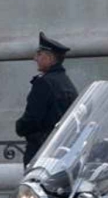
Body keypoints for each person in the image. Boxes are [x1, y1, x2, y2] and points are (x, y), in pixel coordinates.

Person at [15, 32, 79, 166]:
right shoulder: (65, 81)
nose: (35, 58)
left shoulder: (44, 83)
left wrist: (19, 127)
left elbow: (32, 119)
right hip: (61, 151)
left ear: (50, 58)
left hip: (42, 150)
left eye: (39, 54)